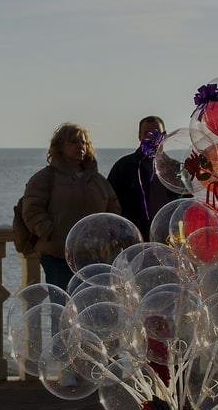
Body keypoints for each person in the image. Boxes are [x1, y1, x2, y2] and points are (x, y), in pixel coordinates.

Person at [22, 123, 122, 291]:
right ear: (60, 146)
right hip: (59, 257)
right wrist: (50, 232)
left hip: (95, 257)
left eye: (83, 142)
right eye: (73, 142)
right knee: (64, 303)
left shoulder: (97, 180)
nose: (80, 146)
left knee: (93, 303)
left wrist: (107, 232)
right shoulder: (45, 178)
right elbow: (32, 210)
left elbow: (113, 208)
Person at [107, 116, 180, 241]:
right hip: (134, 237)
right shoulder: (124, 166)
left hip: (169, 237)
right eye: (147, 133)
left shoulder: (175, 168)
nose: (151, 137)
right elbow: (110, 202)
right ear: (139, 136)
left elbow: (185, 203)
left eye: (156, 133)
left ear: (164, 136)